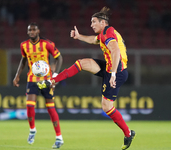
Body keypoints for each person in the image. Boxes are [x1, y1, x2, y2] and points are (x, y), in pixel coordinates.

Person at [38, 7, 135, 150]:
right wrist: (79, 36)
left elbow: (115, 51)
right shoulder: (104, 33)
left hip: (117, 71)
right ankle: (53, 80)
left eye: (94, 22)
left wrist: (113, 74)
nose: (91, 24)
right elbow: (95, 40)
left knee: (107, 107)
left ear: (103, 22)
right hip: (109, 67)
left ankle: (128, 133)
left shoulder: (108, 33)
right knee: (82, 63)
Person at [13, 22, 64, 149]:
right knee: (29, 107)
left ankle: (59, 137)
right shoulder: (24, 45)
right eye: (29, 30)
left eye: (34, 30)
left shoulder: (47, 44)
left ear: (38, 31)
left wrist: (55, 76)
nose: (31, 32)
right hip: (32, 80)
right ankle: (32, 130)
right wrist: (17, 75)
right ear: (27, 32)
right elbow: (23, 59)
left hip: (46, 80)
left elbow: (59, 58)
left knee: (51, 109)